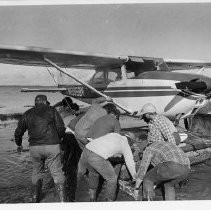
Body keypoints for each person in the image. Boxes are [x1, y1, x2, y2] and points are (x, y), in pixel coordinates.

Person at [14, 95, 66, 202]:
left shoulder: (28, 113)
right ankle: (62, 202)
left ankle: (35, 199)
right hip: (52, 145)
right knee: (57, 172)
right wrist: (58, 139)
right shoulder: (52, 110)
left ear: (35, 102)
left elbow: (19, 131)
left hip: (35, 147)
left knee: (37, 172)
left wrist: (19, 144)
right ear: (45, 101)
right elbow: (61, 127)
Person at [77, 132, 137, 202]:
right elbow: (130, 162)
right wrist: (135, 177)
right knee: (112, 179)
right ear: (131, 141)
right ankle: (109, 202)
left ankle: (92, 199)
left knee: (94, 173)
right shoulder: (125, 144)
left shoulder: (114, 134)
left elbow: (107, 146)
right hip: (97, 156)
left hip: (87, 149)